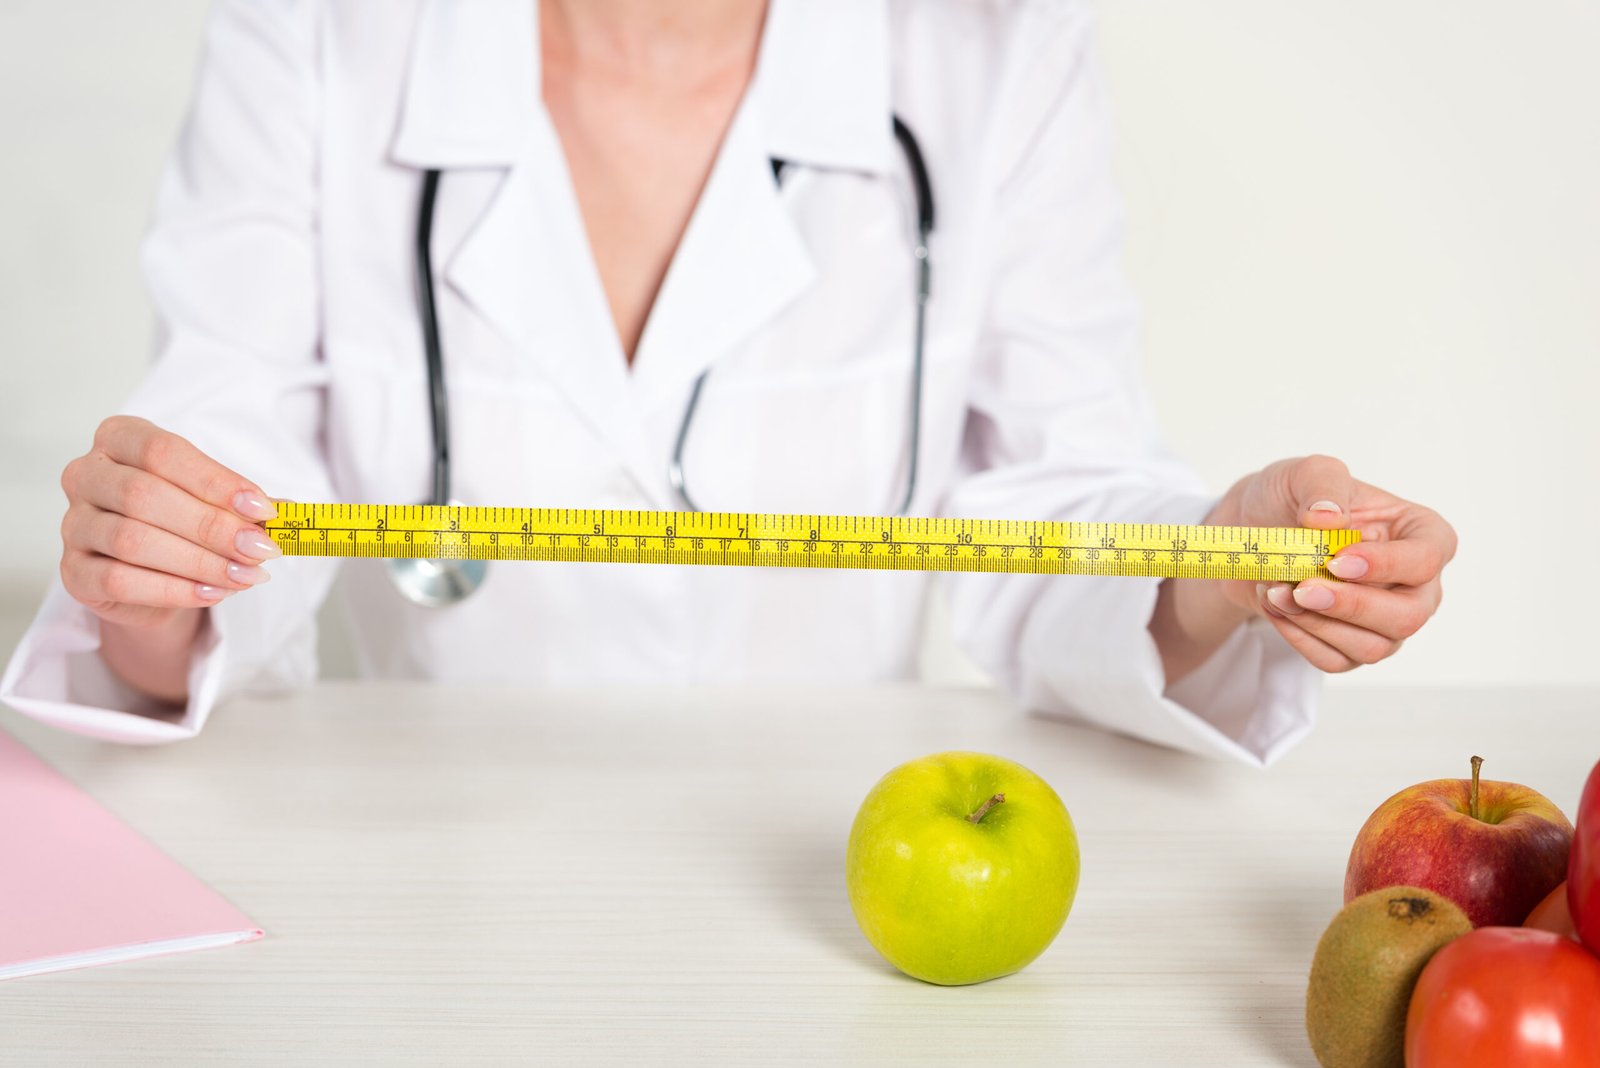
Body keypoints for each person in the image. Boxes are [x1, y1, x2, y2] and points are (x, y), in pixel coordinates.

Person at [1, 0, 1453, 764]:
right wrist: (155, 579)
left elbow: (1061, 498)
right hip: (426, 838)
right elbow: (227, 455)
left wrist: (1214, 564)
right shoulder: (313, 27)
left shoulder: (997, 46)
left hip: (838, 864)